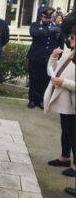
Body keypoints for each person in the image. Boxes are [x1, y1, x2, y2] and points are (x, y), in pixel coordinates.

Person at [44, 10, 75, 178]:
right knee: (66, 130)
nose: (69, 40)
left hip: (72, 101)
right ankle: (64, 157)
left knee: (73, 133)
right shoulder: (71, 54)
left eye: (72, 38)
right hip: (65, 101)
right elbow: (54, 71)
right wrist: (54, 57)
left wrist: (64, 83)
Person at [27, 7, 65, 109]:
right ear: (41, 16)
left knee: (45, 81)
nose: (48, 20)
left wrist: (58, 57)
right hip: (35, 58)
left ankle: (41, 100)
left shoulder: (57, 27)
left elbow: (61, 44)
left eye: (49, 17)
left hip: (49, 60)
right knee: (34, 80)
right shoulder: (35, 25)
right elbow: (34, 33)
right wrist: (49, 31)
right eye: (45, 17)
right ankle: (32, 100)